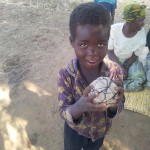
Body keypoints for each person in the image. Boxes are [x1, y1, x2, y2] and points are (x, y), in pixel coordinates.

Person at [57, 2, 124, 150]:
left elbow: (120, 103)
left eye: (101, 44)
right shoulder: (66, 75)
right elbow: (63, 111)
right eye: (84, 44)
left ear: (108, 42)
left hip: (100, 132)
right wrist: (80, 106)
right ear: (72, 42)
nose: (92, 52)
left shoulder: (114, 72)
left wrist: (114, 106)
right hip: (75, 132)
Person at [108, 3, 148, 91]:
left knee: (139, 81)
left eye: (143, 20)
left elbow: (136, 54)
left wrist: (126, 67)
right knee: (106, 76)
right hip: (114, 59)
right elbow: (110, 52)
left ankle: (117, 87)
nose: (143, 23)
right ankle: (115, 84)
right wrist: (119, 66)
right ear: (130, 21)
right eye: (140, 20)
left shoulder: (142, 34)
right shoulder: (114, 29)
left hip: (130, 60)